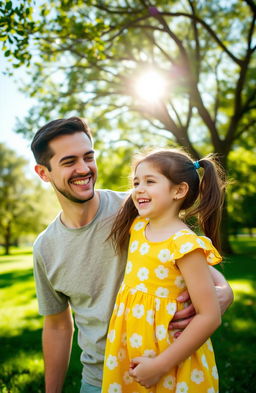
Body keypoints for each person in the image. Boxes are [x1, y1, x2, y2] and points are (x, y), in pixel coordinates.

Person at [30, 117, 233, 393]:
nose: (84, 169)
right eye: (69, 162)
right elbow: (57, 327)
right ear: (43, 173)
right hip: (101, 377)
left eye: (88, 157)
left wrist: (223, 290)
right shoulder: (45, 248)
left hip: (166, 366)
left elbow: (189, 251)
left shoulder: (137, 208)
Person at [102, 149, 227, 393]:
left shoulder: (185, 245)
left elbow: (210, 316)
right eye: (136, 182)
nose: (138, 188)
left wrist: (160, 365)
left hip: (172, 353)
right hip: (132, 343)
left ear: (179, 190)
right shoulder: (137, 226)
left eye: (150, 181)